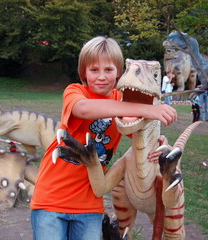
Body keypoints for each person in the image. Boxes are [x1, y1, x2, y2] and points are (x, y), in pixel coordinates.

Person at [30, 36, 177, 240]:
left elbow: (142, 133)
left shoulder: (122, 100)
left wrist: (161, 145)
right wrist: (146, 108)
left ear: (118, 72)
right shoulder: (75, 92)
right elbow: (83, 109)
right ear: (84, 72)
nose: (101, 76)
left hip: (90, 204)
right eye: (94, 70)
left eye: (108, 70)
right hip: (51, 199)